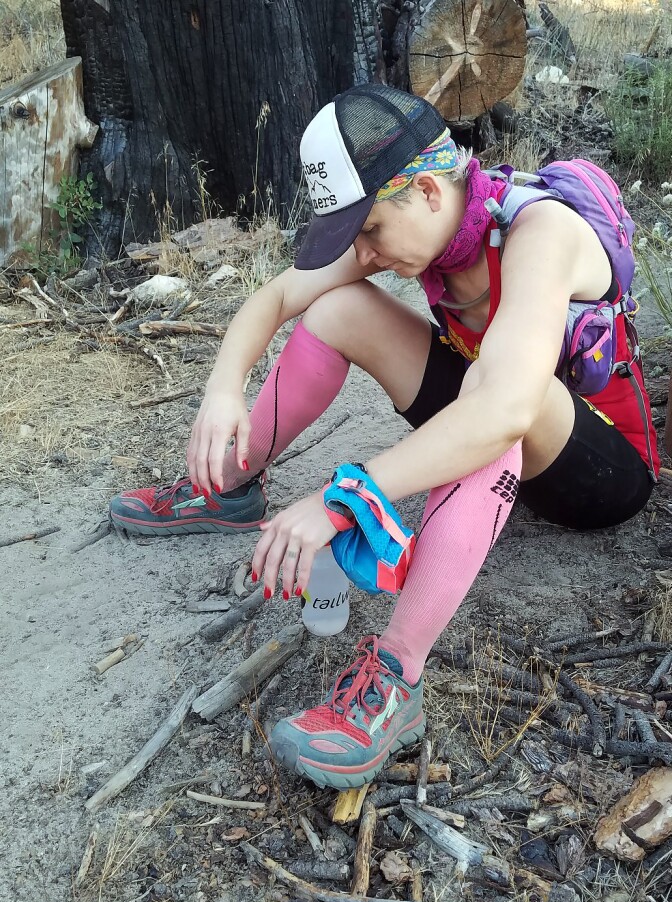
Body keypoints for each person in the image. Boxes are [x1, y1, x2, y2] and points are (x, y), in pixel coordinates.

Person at [109, 84, 660, 790]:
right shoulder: (414, 225)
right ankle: (232, 486)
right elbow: (278, 297)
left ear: (428, 192)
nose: (364, 251)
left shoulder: (539, 234)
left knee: (493, 395)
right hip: (503, 428)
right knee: (337, 307)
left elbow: (503, 408)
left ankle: (396, 680)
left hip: (604, 471)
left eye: (368, 230)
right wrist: (223, 388)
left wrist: (347, 496)